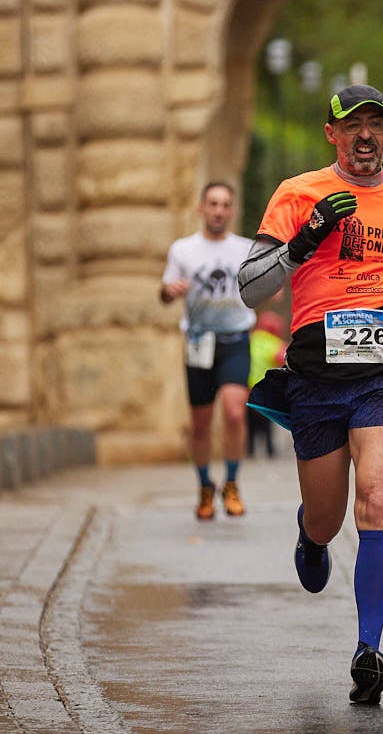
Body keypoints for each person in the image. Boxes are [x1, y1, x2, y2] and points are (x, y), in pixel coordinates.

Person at [238, 84, 383, 705]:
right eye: (353, 124)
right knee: (329, 517)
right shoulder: (296, 193)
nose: (365, 134)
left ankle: (369, 649)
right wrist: (305, 239)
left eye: (376, 124)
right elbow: (251, 291)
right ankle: (310, 536)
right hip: (316, 378)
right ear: (331, 134)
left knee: (379, 498)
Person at [160, 181, 256, 520]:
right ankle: (204, 486)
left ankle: (231, 483)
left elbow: (262, 287)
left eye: (225, 204)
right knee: (200, 423)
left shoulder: (246, 249)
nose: (218, 210)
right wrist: (171, 290)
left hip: (235, 340)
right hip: (199, 342)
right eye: (212, 204)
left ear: (232, 210)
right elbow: (165, 293)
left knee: (233, 412)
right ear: (201, 208)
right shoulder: (183, 250)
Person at [247, 310, 287, 458]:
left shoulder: (251, 339)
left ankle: (249, 450)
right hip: (264, 390)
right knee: (267, 422)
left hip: (248, 389)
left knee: (250, 424)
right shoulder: (273, 342)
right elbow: (283, 358)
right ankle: (270, 450)